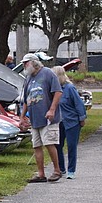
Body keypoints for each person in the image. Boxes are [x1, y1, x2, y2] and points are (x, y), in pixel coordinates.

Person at [19, 53, 64, 183]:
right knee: (36, 145)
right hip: (35, 119)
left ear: (34, 63)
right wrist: (22, 117)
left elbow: (58, 92)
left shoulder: (48, 73)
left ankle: (57, 170)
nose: (24, 66)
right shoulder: (28, 78)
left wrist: (52, 109)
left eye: (25, 63)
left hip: (48, 118)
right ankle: (41, 174)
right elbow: (27, 99)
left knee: (49, 143)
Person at [52, 66, 86, 179]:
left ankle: (71, 170)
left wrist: (82, 118)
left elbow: (79, 104)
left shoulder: (70, 88)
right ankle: (61, 169)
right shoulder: (54, 90)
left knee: (71, 146)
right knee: (58, 145)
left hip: (72, 121)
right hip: (58, 122)